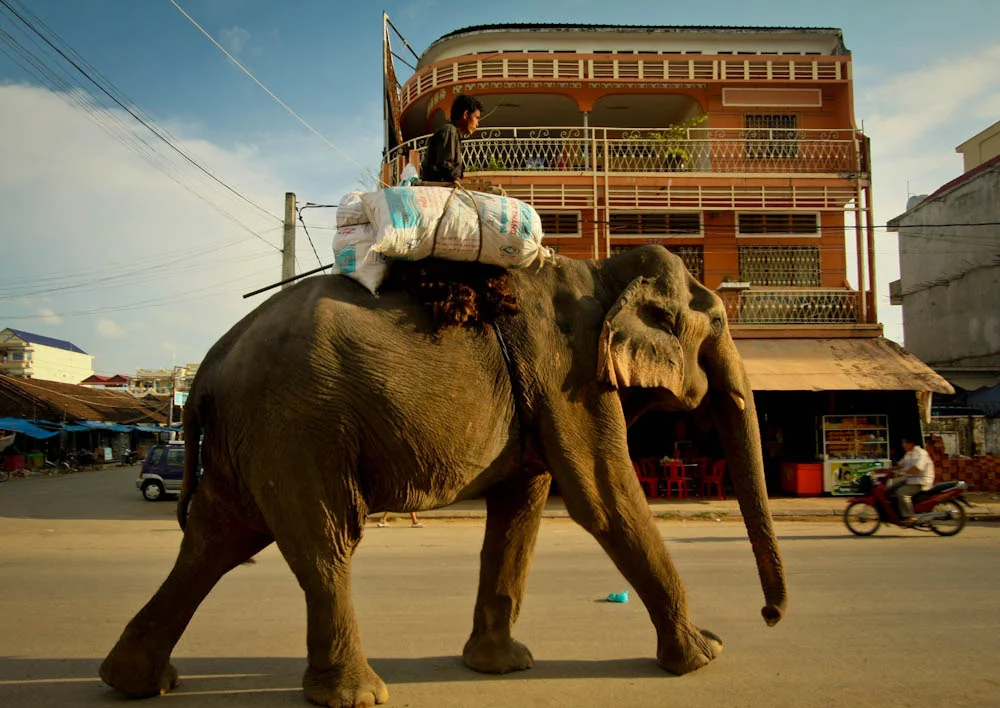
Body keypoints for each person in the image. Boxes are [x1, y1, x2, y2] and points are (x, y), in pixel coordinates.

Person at [419, 94, 483, 183]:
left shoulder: (453, 133)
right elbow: (445, 166)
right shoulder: (449, 130)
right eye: (476, 118)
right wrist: (460, 184)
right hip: (438, 189)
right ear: (466, 115)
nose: (477, 124)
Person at [885, 436, 935, 523]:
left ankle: (910, 516)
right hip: (911, 480)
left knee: (901, 493)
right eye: (902, 443)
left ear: (911, 443)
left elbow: (917, 468)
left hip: (920, 481)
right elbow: (900, 465)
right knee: (891, 489)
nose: (903, 445)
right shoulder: (909, 453)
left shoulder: (921, 453)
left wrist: (904, 473)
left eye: (905, 443)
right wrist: (886, 470)